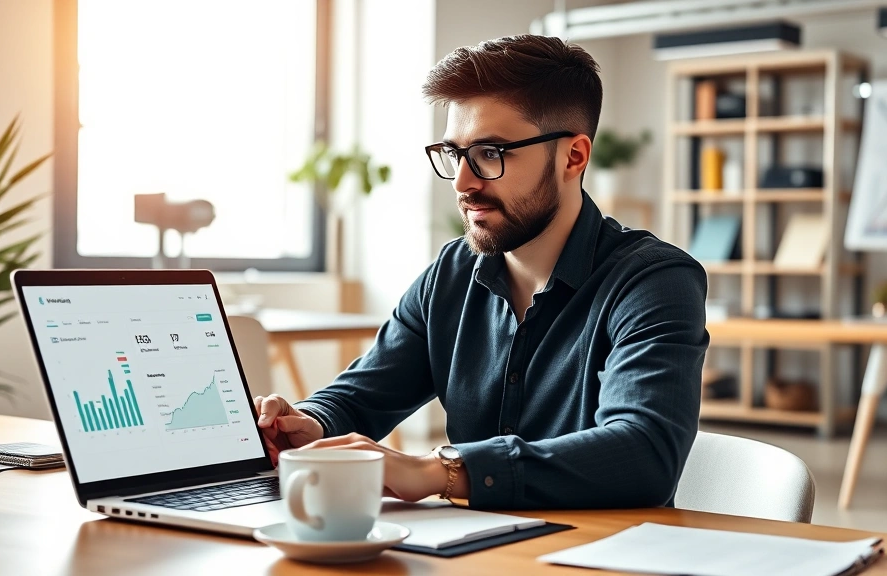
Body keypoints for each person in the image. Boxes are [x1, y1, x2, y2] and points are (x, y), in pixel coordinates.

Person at [254, 34, 708, 510]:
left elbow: (644, 453)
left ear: (573, 156)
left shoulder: (655, 282)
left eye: (491, 153)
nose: (463, 182)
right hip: (471, 551)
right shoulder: (451, 274)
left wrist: (439, 470)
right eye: (454, 154)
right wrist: (308, 422)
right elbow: (360, 396)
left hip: (603, 557)